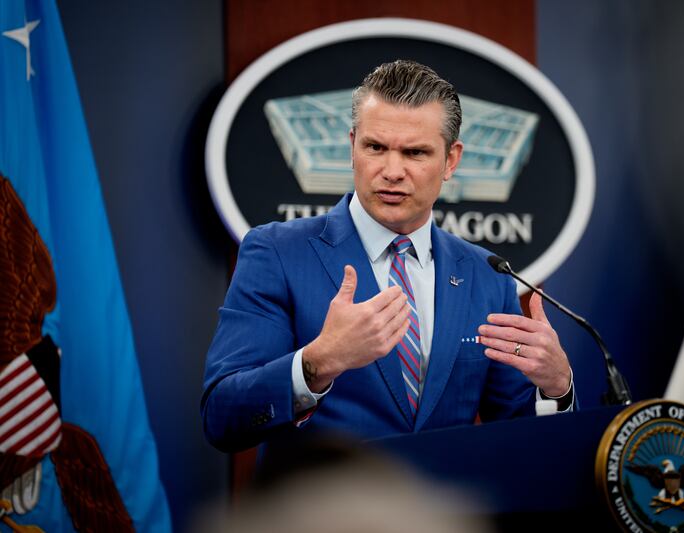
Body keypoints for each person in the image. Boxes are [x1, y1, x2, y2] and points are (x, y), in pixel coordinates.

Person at [201, 60, 573, 453]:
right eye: (375, 147)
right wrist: (316, 363)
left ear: (451, 161)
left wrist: (557, 387)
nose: (392, 171)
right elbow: (222, 417)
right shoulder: (277, 253)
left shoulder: (486, 275)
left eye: (415, 153)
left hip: (442, 514)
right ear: (352, 147)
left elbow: (522, 439)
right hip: (319, 513)